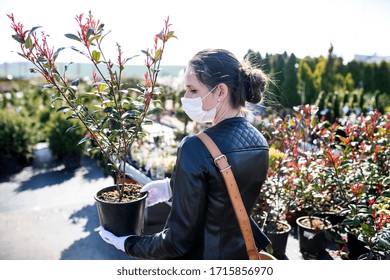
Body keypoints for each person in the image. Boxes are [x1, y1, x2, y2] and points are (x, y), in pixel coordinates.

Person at [99, 49, 271, 259]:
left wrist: (128, 243)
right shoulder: (260, 142)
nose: (185, 98)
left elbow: (176, 244)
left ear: (221, 92)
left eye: (193, 90)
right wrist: (172, 188)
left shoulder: (195, 147)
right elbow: (223, 198)